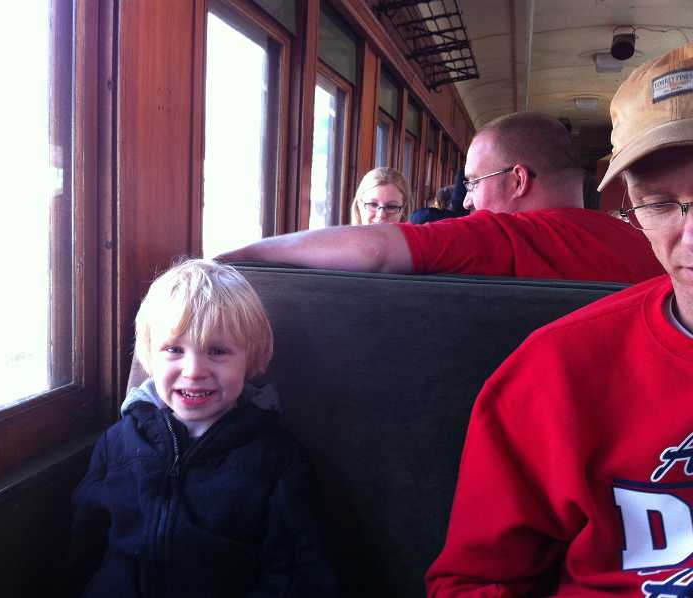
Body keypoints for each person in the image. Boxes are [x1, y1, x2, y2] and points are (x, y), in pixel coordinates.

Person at [426, 42, 693, 595]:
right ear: (633, 206)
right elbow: (474, 582)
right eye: (660, 203)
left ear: (518, 179)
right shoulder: (553, 371)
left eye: (475, 184)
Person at [71, 259, 335, 598]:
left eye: (217, 351)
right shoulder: (117, 443)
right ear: (150, 356)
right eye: (174, 350)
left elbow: (298, 576)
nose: (194, 370)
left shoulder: (277, 460)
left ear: (250, 358)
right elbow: (84, 547)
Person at [218, 112, 664, 284]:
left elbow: (375, 252)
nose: (466, 201)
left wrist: (234, 257)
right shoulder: (648, 245)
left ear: (518, 181)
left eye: (473, 182)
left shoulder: (506, 237)